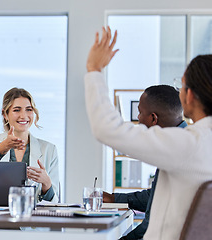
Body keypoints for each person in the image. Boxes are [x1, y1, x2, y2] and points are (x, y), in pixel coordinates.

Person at [85, 27, 212, 239]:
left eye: (181, 86)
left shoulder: (189, 143)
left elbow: (107, 129)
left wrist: (94, 70)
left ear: (189, 95)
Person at [103, 85, 187, 240]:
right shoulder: (182, 141)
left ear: (153, 118)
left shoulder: (177, 152)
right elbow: (156, 197)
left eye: (140, 113)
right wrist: (114, 199)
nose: (138, 118)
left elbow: (152, 227)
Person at [0, 87, 59, 202]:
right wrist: (2, 148)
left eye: (29, 109)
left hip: (33, 218)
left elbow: (54, 203)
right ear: (5, 114)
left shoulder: (49, 149)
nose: (23, 115)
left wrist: (46, 183)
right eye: (17, 110)